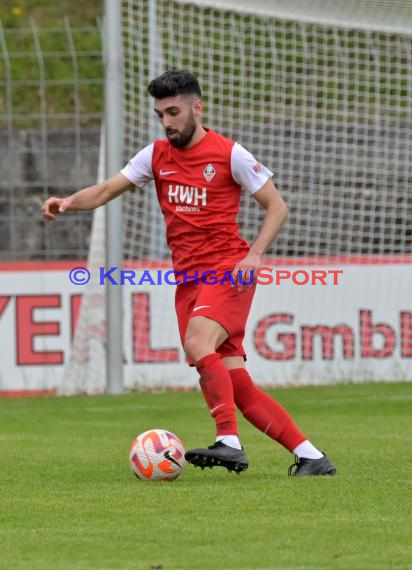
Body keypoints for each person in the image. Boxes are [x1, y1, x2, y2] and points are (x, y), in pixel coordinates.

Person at [41, 70, 335, 477]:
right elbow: (107, 190)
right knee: (236, 382)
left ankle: (229, 442)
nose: (167, 122)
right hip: (188, 281)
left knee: (199, 341)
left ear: (198, 107)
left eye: (174, 112)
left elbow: (277, 206)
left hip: (228, 271)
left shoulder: (229, 154)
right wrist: (68, 201)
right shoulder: (155, 155)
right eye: (160, 114)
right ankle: (312, 457)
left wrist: (255, 254)